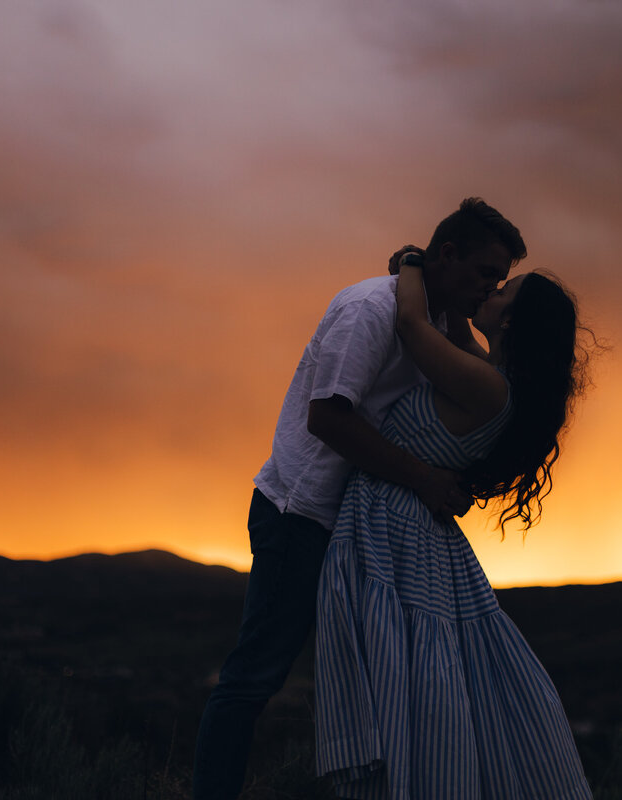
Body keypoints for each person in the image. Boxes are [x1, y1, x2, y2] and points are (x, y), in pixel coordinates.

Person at [192, 199, 528, 800]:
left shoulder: (432, 324)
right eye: (485, 274)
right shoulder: (369, 310)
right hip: (300, 513)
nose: (489, 289)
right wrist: (424, 479)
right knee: (256, 675)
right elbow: (328, 419)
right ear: (447, 256)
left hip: (353, 528)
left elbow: (488, 386)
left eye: (499, 282)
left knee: (364, 685)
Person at [314, 255, 593, 798]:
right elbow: (457, 332)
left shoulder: (486, 386)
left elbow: (413, 325)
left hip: (392, 526)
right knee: (415, 669)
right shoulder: (489, 376)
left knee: (402, 670)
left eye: (502, 290)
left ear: (510, 321)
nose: (490, 289)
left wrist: (417, 264)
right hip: (407, 526)